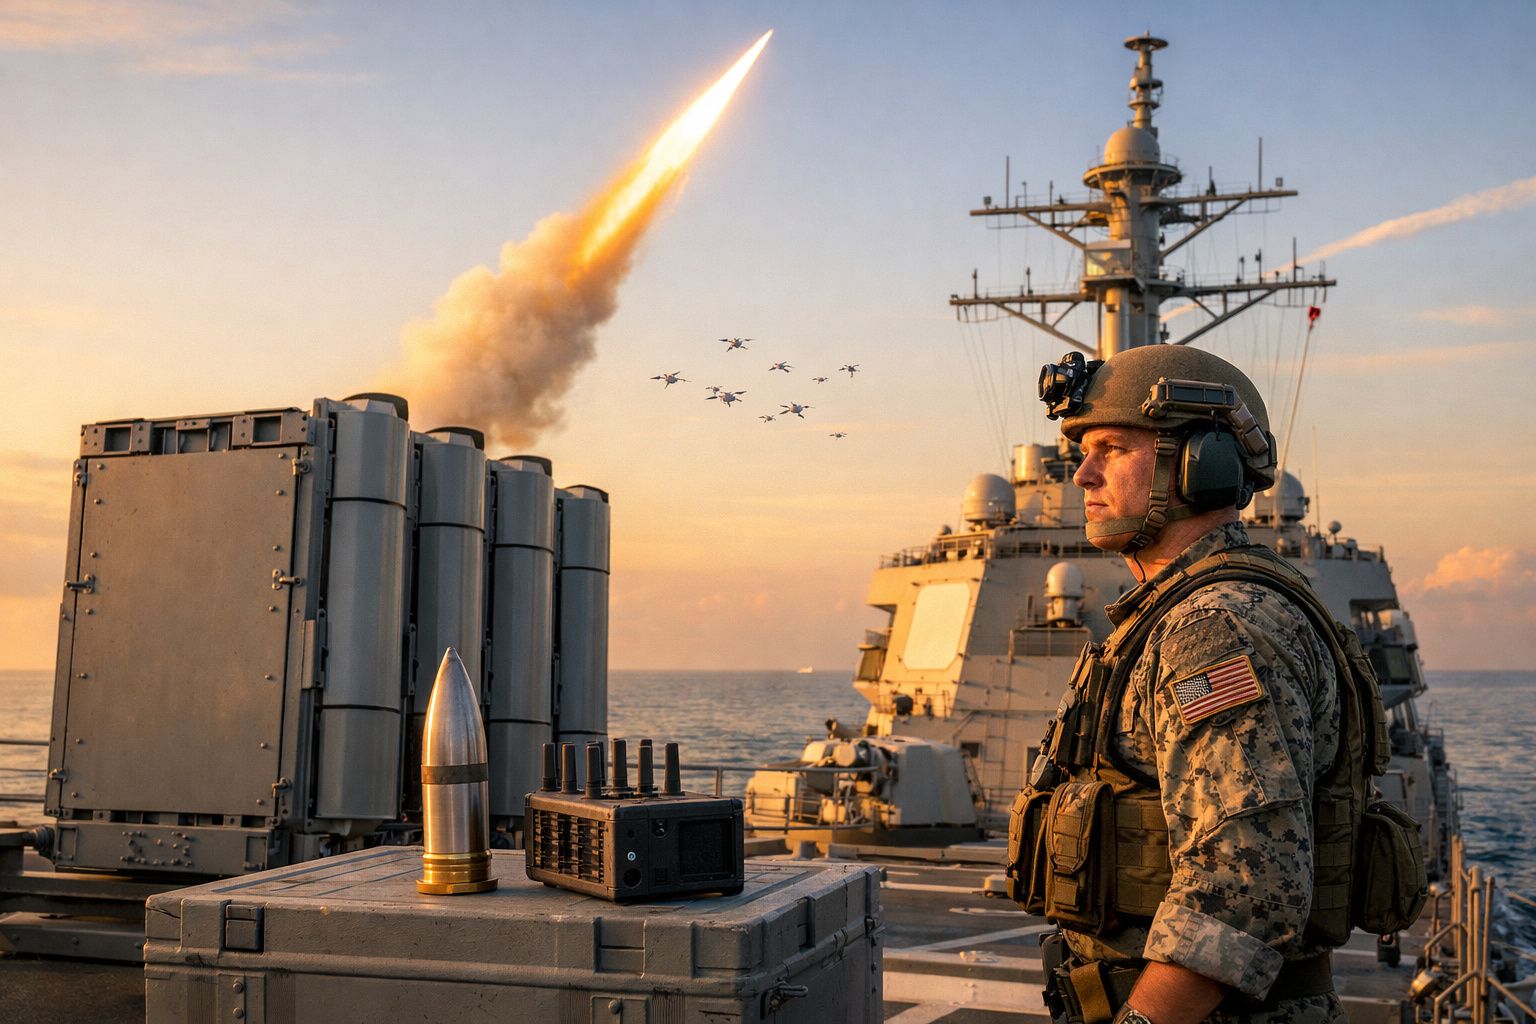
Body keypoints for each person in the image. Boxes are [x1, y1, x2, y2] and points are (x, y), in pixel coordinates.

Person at [1011, 344, 1355, 1024]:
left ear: (1202, 463)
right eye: (1083, 449)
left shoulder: (1214, 627)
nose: (1082, 473)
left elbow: (1243, 888)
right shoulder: (1183, 612)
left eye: (1111, 447)